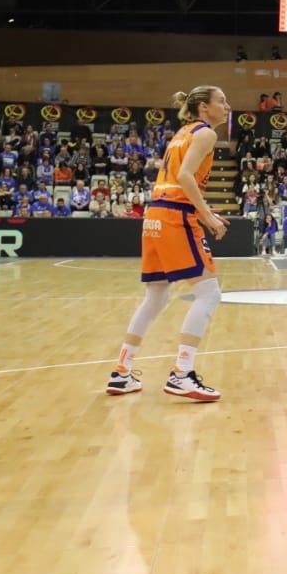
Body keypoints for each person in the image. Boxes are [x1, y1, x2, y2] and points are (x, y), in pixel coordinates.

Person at [105, 86, 230, 402]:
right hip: (175, 216)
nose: (228, 107)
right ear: (204, 107)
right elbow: (186, 177)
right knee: (208, 292)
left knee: (157, 296)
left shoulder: (182, 132)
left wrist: (204, 212)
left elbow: (176, 180)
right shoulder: (205, 134)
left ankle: (122, 372)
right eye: (222, 102)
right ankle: (182, 374)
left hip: (156, 213)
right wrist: (208, 217)